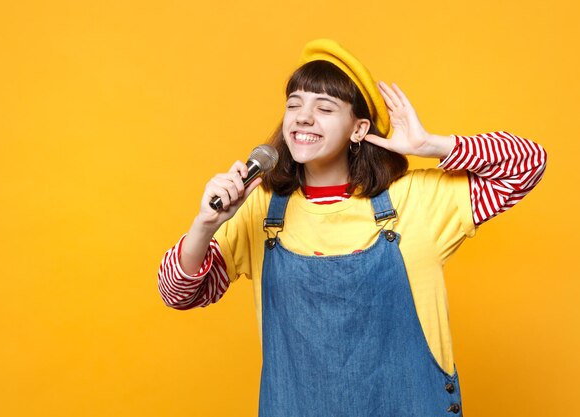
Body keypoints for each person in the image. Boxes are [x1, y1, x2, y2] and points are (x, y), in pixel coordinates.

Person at [157, 39, 547, 416]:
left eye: (324, 107)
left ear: (358, 130)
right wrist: (204, 226)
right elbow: (179, 294)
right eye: (294, 105)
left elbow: (528, 164)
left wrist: (431, 145)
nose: (303, 116)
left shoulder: (416, 201)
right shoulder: (258, 208)